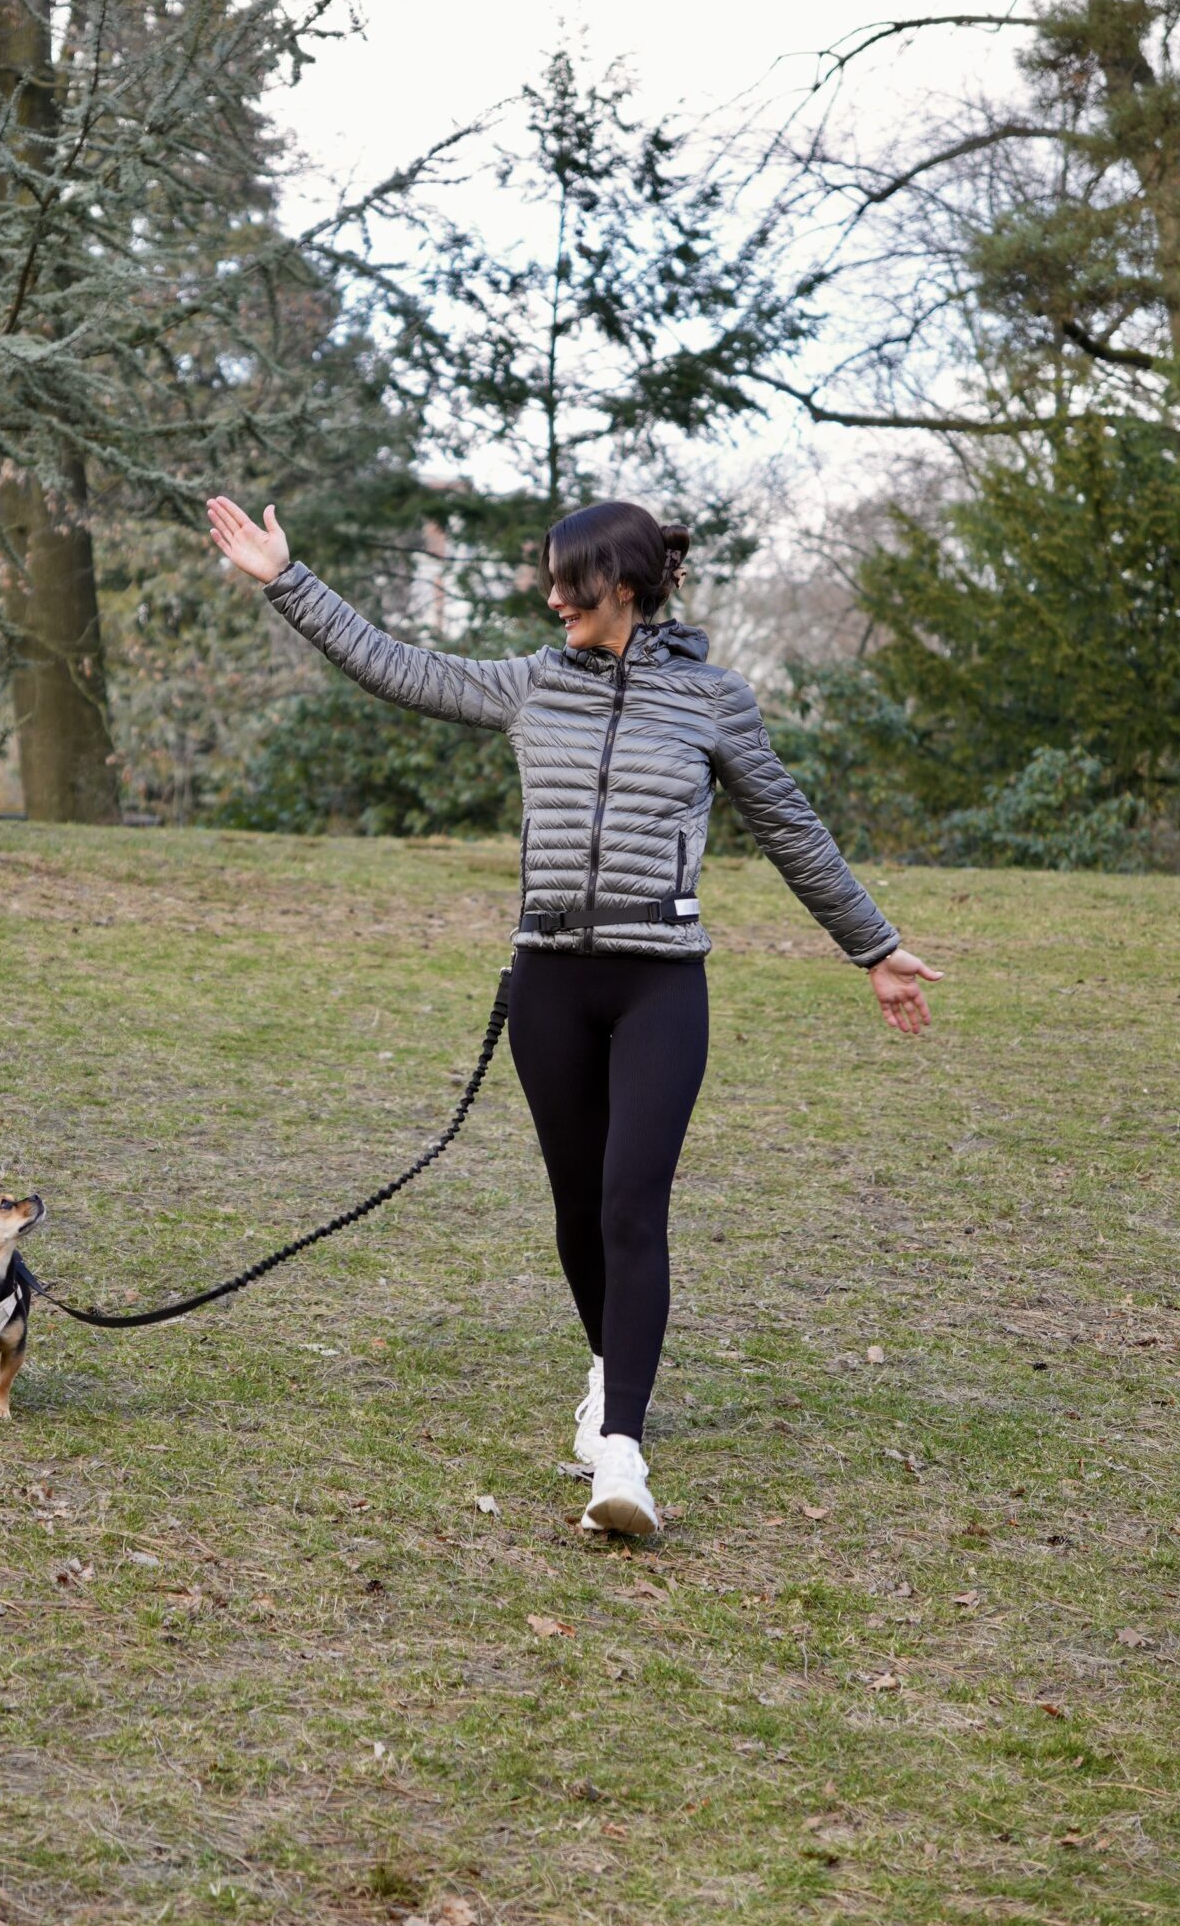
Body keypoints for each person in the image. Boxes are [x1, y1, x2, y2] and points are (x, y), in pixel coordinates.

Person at [206, 492, 942, 1538]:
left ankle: (625, 1457)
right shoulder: (530, 686)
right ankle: (609, 1366)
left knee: (634, 1204)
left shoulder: (713, 702)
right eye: (550, 580)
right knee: (577, 1208)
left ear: (627, 587)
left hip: (658, 985)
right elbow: (392, 664)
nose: (553, 598)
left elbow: (791, 826)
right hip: (549, 982)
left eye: (572, 583)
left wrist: (872, 947)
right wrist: (288, 580)